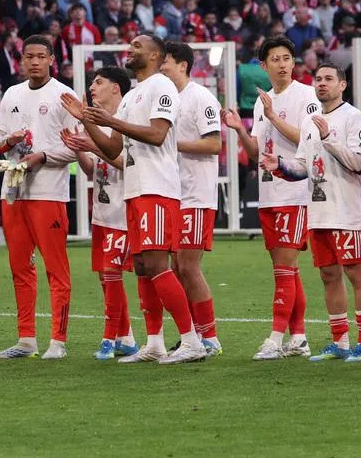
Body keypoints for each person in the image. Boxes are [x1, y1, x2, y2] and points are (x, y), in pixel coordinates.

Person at [62, 34, 207, 365]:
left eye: (138, 46)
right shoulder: (130, 98)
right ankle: (154, 342)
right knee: (142, 267)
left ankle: (191, 340)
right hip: (135, 191)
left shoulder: (162, 87)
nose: (131, 49)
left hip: (157, 188)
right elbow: (113, 149)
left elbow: (157, 135)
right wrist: (87, 119)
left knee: (156, 263)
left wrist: (111, 120)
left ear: (155, 54)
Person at [262, 63, 361, 363]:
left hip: (347, 211)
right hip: (319, 212)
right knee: (328, 275)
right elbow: (303, 166)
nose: (322, 84)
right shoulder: (311, 123)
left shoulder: (354, 118)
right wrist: (281, 166)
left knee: (356, 274)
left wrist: (330, 140)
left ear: (343, 85)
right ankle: (340, 342)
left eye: (329, 79)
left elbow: (359, 162)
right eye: (318, 79)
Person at [222, 36, 318, 360]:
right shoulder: (261, 103)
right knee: (285, 268)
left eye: (286, 58)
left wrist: (274, 116)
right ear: (263, 66)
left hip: (295, 191)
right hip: (269, 194)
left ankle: (275, 339)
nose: (281, 64)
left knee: (285, 267)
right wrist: (238, 129)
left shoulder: (306, 96)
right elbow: (255, 152)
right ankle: (300, 337)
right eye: (274, 59)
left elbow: (309, 140)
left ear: (294, 62)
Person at [0, 36, 80, 360]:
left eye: (41, 56)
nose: (35, 62)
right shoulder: (12, 94)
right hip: (15, 192)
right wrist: (7, 139)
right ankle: (26, 338)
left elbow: (75, 145)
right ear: (21, 60)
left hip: (48, 193)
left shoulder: (63, 95)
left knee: (56, 268)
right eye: (29, 57)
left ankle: (58, 340)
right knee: (19, 266)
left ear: (52, 59)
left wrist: (41, 155)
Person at [72, 67, 139, 361]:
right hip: (101, 213)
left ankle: (109, 338)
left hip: (122, 212)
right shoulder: (95, 124)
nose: (92, 87)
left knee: (112, 275)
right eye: (91, 82)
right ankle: (128, 338)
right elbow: (92, 172)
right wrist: (78, 150)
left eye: (98, 82)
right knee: (105, 278)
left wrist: (95, 147)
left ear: (116, 88)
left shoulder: (126, 122)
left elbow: (130, 163)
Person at [162, 40, 223, 354]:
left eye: (166, 62)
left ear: (182, 65)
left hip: (196, 195)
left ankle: (209, 337)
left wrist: (172, 144)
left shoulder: (200, 97)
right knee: (175, 267)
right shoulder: (167, 99)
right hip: (174, 194)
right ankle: (193, 336)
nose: (161, 67)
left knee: (187, 266)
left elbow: (214, 144)